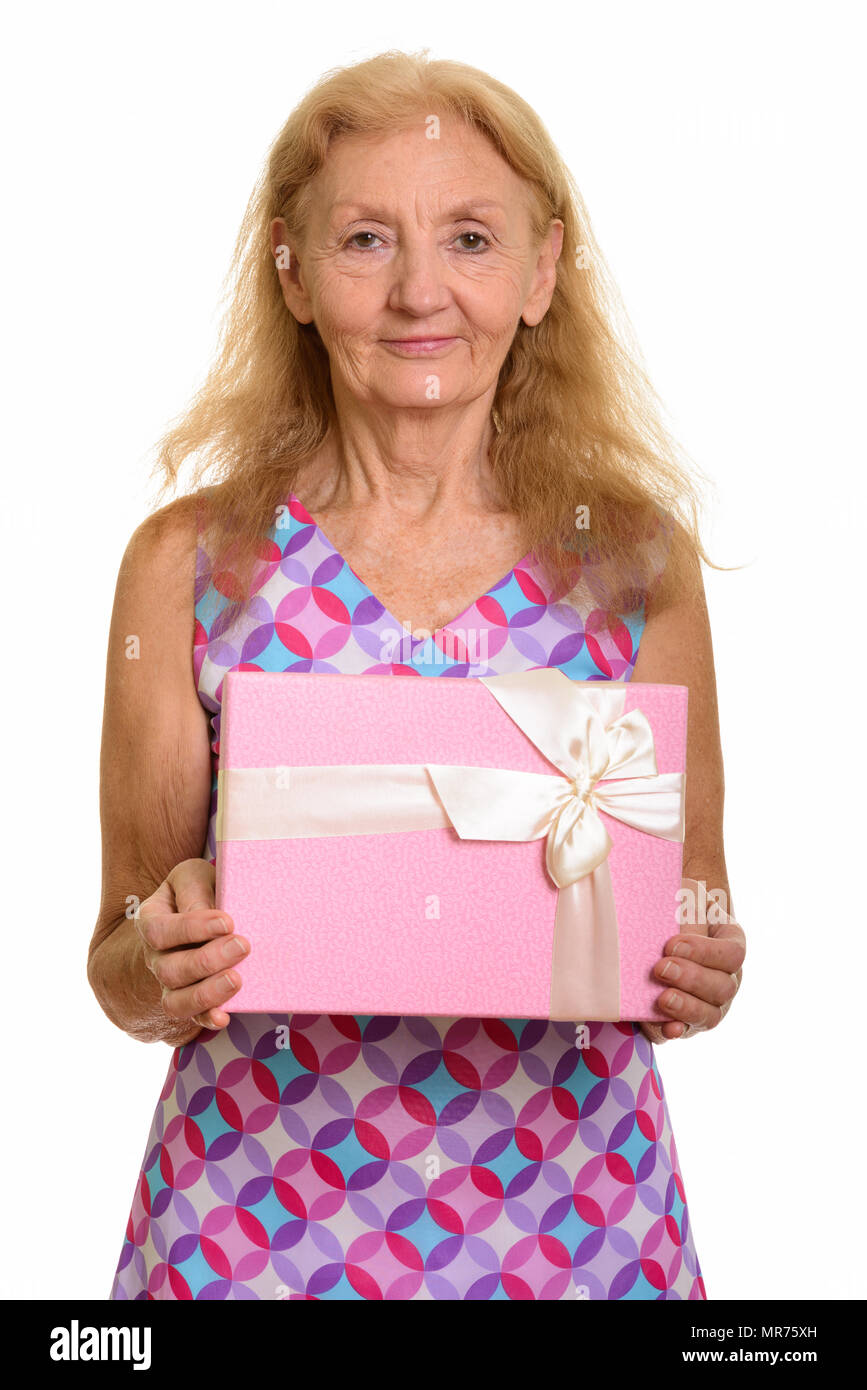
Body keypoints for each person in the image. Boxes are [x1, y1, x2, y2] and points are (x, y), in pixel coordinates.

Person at [89, 50, 746, 1300]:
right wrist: (154, 960)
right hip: (254, 1226)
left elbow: (698, 904)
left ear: (543, 271)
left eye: (472, 239)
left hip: (577, 1228)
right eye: (367, 240)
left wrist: (704, 961)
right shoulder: (187, 563)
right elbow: (120, 942)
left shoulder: (636, 564)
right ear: (291, 269)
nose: (420, 293)